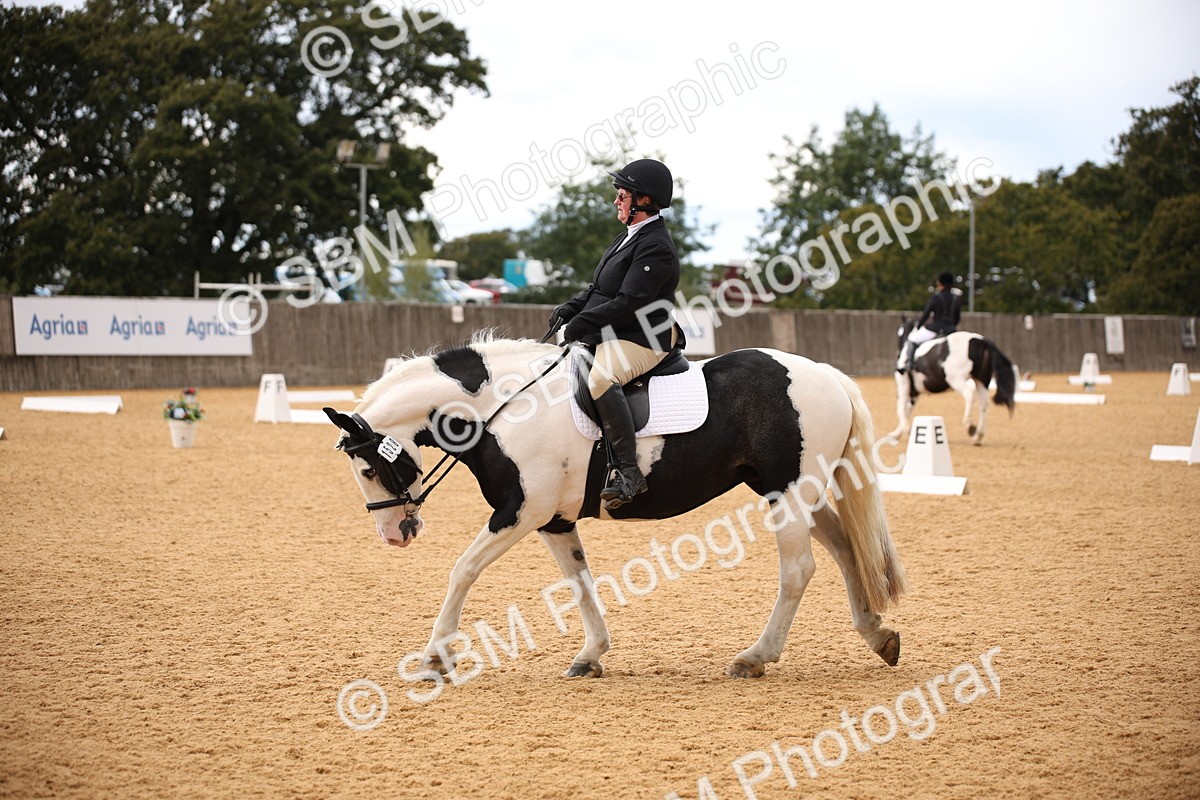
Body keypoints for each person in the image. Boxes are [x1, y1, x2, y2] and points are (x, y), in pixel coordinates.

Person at [548, 158, 682, 509]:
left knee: (600, 379)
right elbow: (600, 288)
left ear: (644, 201)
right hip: (618, 330)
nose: (615, 201)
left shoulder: (656, 246)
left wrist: (582, 324)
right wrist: (572, 308)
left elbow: (629, 302)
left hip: (644, 337)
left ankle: (628, 472)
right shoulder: (627, 237)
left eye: (622, 195)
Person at [900, 271, 962, 372]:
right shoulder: (956, 299)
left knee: (912, 339)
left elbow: (926, 314)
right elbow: (957, 318)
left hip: (935, 329)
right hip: (951, 330)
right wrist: (951, 327)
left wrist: (918, 326)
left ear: (940, 284)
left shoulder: (936, 297)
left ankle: (910, 363)